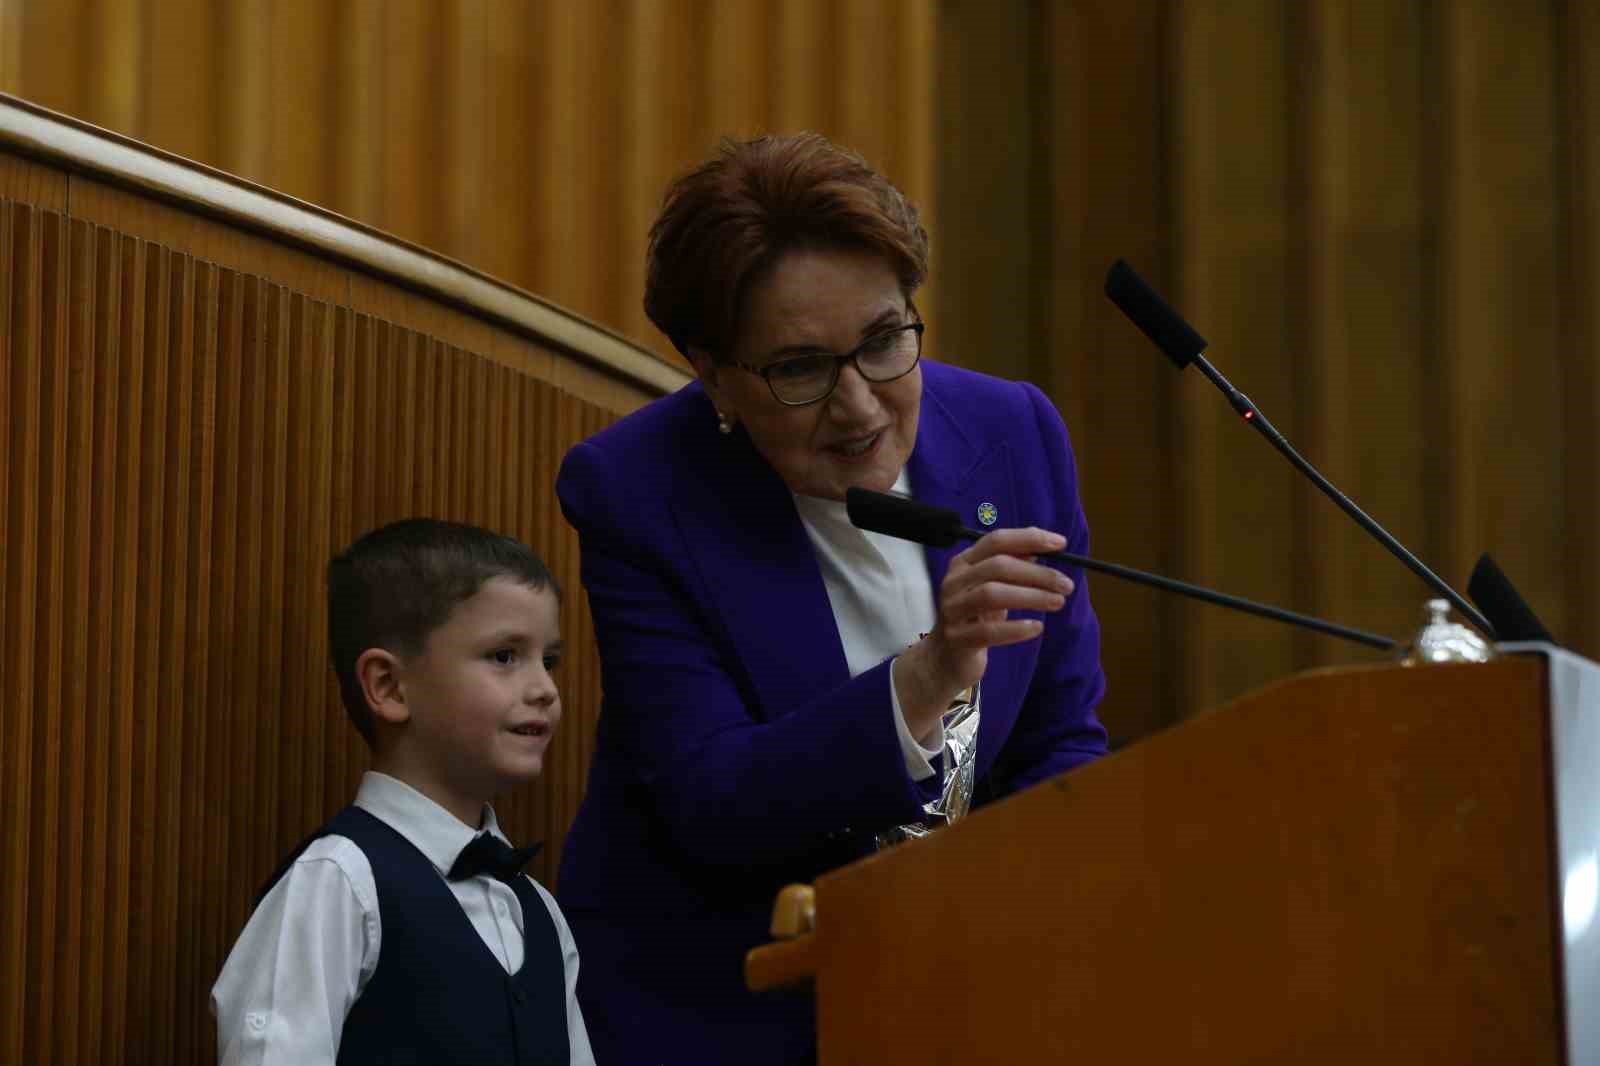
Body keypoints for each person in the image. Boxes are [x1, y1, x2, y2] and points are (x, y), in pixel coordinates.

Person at [555, 133, 1108, 1063]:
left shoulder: (1014, 432)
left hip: (970, 996)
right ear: (712, 372)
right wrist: (929, 670)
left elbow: (1062, 738)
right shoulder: (638, 490)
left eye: (885, 341)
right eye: (802, 368)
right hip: (725, 1013)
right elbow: (715, 801)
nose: (859, 406)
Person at [211, 518, 594, 1066]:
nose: (546, 689)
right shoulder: (339, 883)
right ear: (389, 687)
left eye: (549, 660)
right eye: (505, 656)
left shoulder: (540, 912)